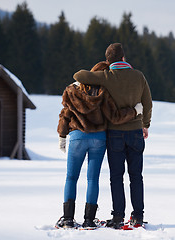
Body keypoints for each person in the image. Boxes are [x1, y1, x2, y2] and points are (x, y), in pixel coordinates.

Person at [73, 43, 152, 229]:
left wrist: (104, 68)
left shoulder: (106, 76)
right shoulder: (139, 76)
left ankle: (118, 217)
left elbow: (78, 75)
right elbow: (147, 104)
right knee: (136, 176)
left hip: (115, 134)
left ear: (108, 61)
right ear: (124, 58)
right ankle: (138, 216)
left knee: (116, 177)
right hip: (135, 133)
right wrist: (145, 125)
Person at [56, 61, 143, 229]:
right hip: (99, 138)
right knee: (92, 179)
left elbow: (65, 114)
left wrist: (62, 135)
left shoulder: (72, 89)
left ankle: (67, 219)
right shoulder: (104, 93)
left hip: (77, 137)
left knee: (71, 177)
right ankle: (89, 220)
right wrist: (135, 111)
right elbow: (116, 117)